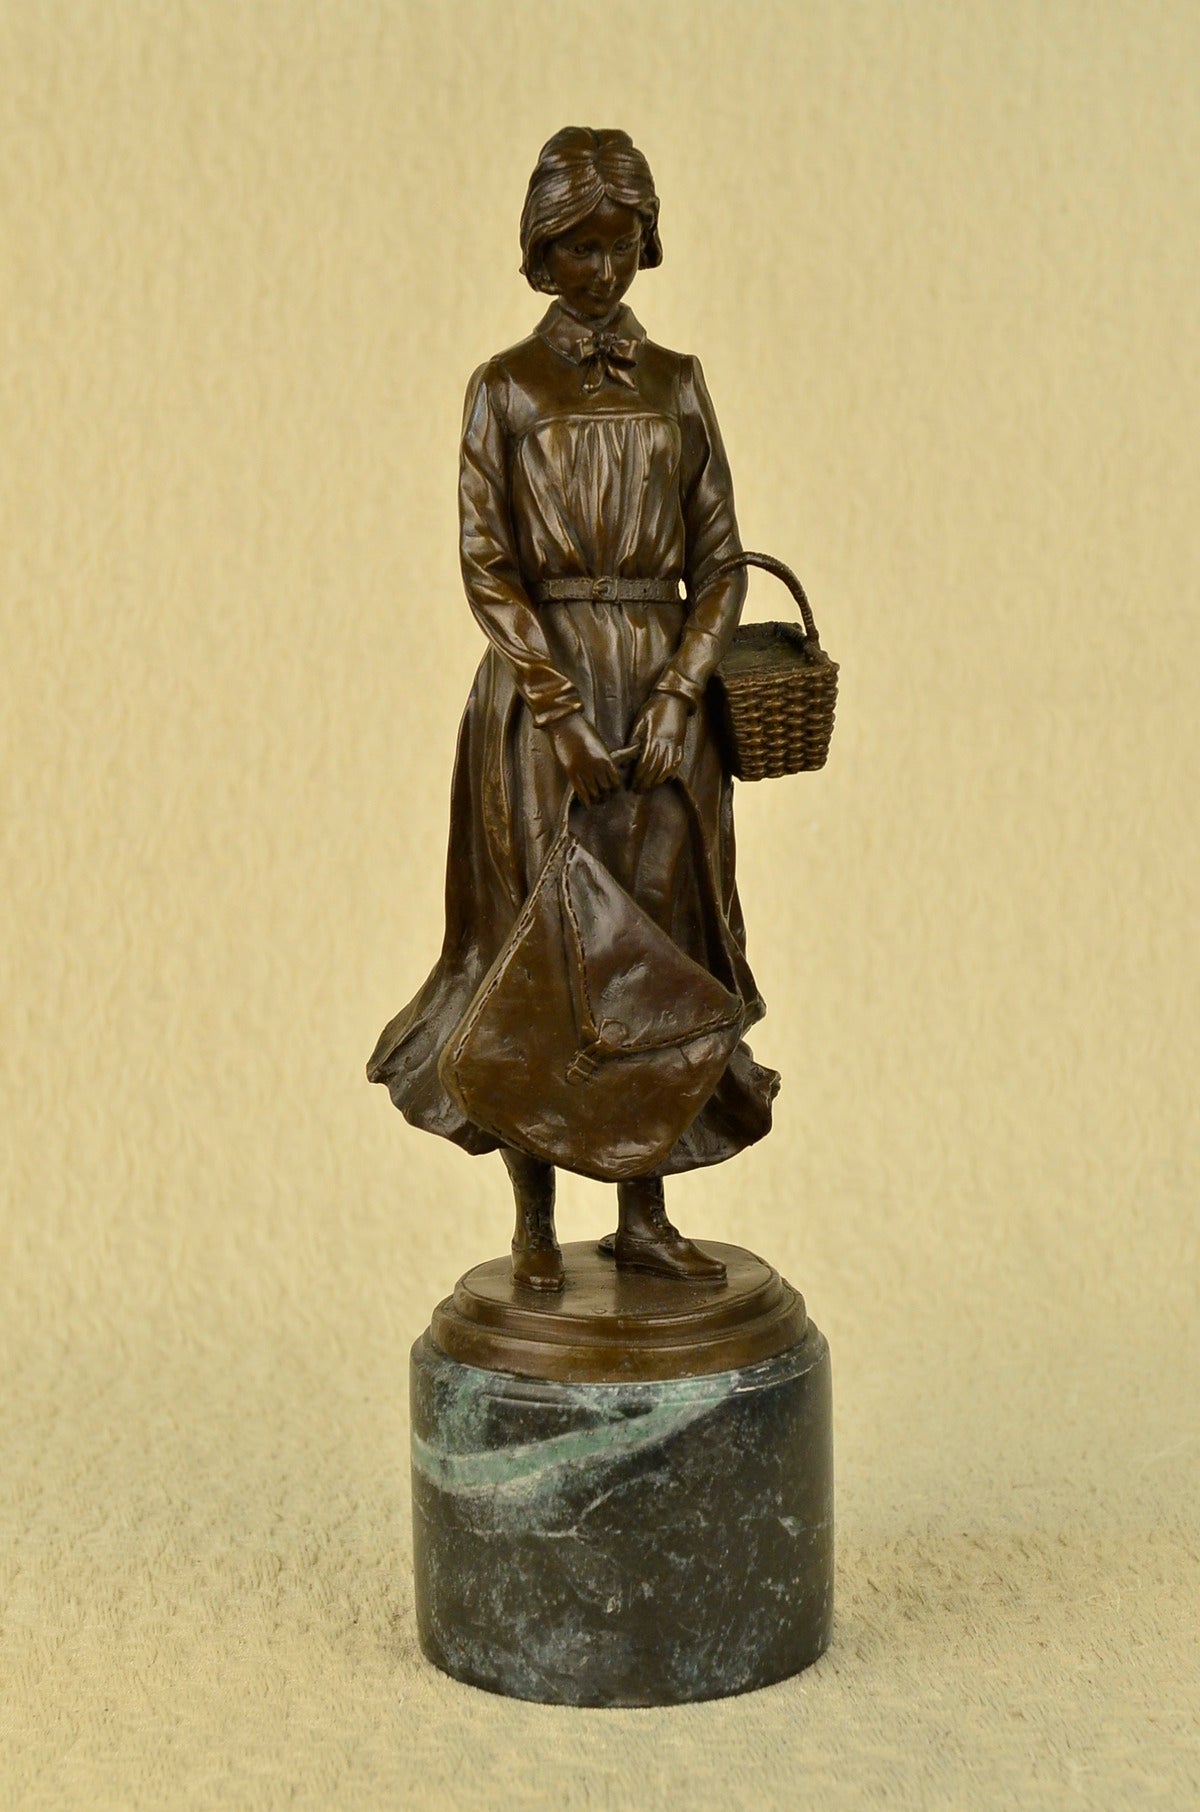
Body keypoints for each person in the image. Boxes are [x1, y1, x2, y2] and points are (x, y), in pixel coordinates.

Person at [368, 127, 779, 1291]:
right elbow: (487, 562)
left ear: (649, 243)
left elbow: (722, 560)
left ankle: (644, 1212)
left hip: (660, 699)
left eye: (621, 243)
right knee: (540, 950)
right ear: (541, 253)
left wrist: (681, 692)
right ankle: (534, 1221)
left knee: (657, 953)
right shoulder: (504, 387)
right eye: (579, 247)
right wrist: (556, 709)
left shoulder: (678, 382)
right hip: (542, 704)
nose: (601, 269)